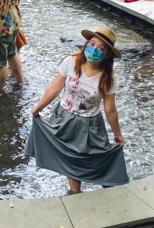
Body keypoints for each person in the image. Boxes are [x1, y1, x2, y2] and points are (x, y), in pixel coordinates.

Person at [25, 27, 128, 194]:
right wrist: (39, 107)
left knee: (98, 160)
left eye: (100, 48)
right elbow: (55, 88)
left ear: (107, 54)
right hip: (64, 117)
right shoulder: (70, 62)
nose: (94, 50)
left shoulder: (108, 78)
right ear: (86, 44)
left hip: (90, 124)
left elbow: (110, 110)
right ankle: (75, 193)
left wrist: (117, 133)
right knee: (69, 157)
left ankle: (111, 194)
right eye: (92, 44)